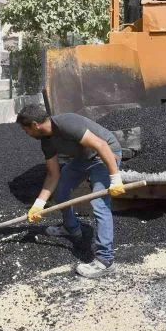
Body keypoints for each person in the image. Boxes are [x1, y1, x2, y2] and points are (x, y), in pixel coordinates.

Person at [16, 105, 125, 279]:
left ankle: (105, 260)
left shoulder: (66, 122)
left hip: (106, 154)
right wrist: (38, 205)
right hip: (84, 159)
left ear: (35, 125)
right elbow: (53, 175)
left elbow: (101, 144)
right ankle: (71, 228)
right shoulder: (46, 141)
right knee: (61, 192)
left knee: (99, 203)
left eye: (26, 130)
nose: (27, 134)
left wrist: (115, 178)